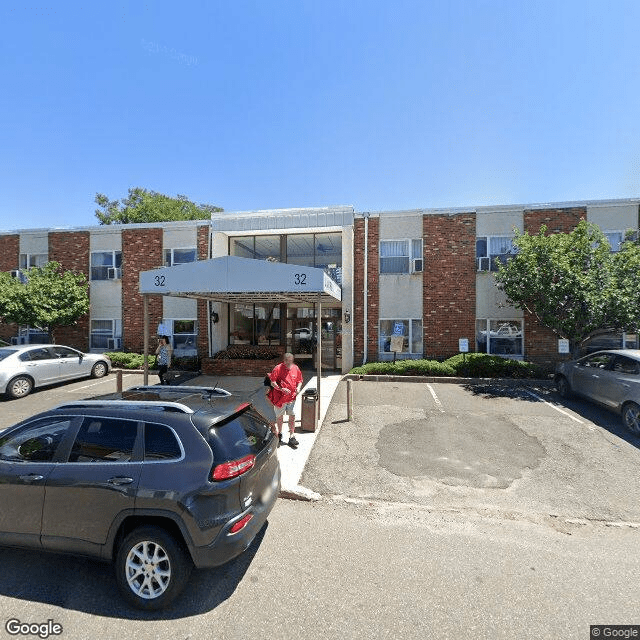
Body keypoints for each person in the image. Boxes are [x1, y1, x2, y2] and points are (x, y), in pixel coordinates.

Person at [266, 352, 303, 448]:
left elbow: (300, 380)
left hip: (291, 398)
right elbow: (272, 382)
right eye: (288, 361)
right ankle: (280, 433)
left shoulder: (295, 368)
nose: (290, 363)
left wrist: (298, 388)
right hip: (280, 399)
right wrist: (281, 389)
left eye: (291, 361)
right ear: (284, 360)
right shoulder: (278, 368)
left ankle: (292, 436)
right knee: (279, 417)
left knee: (292, 416)